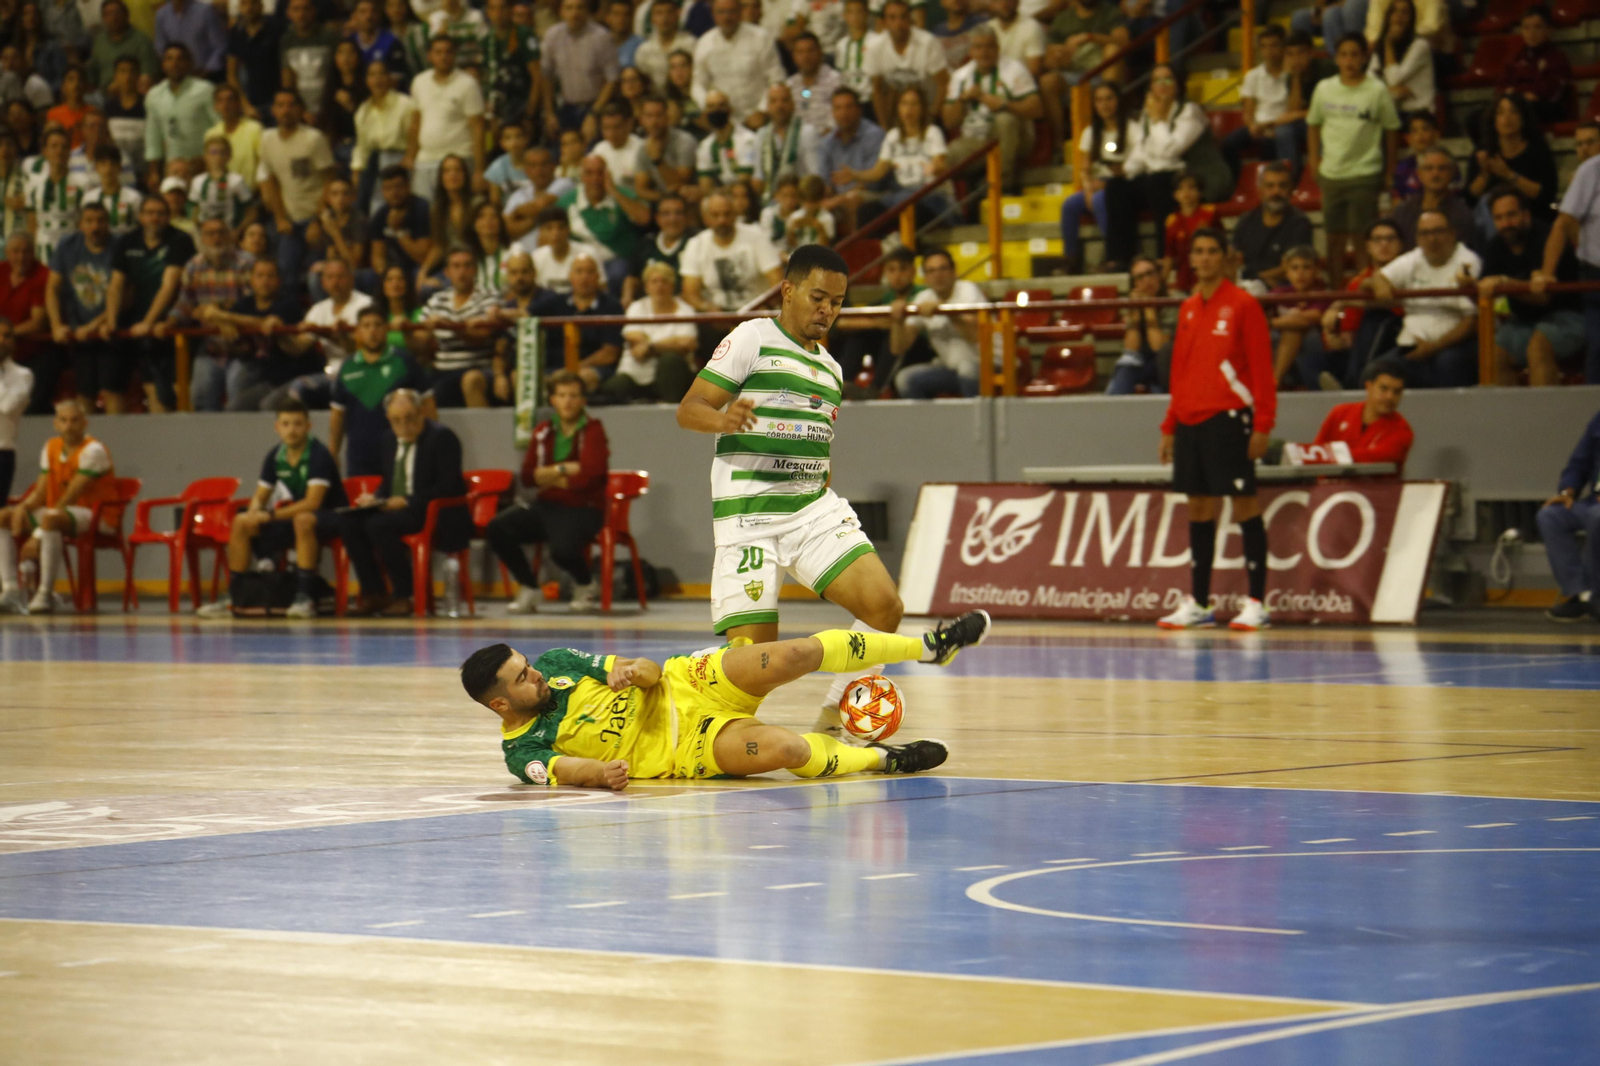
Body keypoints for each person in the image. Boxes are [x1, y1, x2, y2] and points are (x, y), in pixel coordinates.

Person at [676, 243, 938, 741]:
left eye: (837, 303)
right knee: (752, 669)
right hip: (748, 519)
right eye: (819, 297)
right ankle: (686, 701)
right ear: (788, 290)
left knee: (885, 607)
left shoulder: (833, 370)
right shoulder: (751, 338)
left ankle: (839, 716)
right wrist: (722, 418)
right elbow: (689, 409)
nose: (827, 310)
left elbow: (820, 445)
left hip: (811, 509)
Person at [457, 613, 992, 788]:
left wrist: (639, 672)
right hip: (684, 748)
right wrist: (600, 775)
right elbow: (563, 769)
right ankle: (885, 758)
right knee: (785, 750)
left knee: (796, 653)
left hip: (687, 682)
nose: (535, 675)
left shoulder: (554, 663)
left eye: (526, 664)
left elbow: (622, 669)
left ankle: (928, 646)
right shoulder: (521, 747)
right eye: (521, 678)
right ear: (501, 705)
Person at [1156, 227, 1276, 632]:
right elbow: (1180, 372)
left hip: (1229, 419)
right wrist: (1169, 424)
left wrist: (1263, 424)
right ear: (1190, 259)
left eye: (1212, 252)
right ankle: (1201, 602)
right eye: (1199, 251)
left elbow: (1262, 370)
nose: (1205, 258)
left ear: (1226, 258)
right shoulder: (1188, 308)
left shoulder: (1244, 305)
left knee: (1243, 505)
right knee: (1198, 508)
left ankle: (1257, 601)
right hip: (1190, 421)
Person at [197, 398, 348, 620]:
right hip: (293, 516)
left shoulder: (319, 455)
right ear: (277, 428)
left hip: (330, 517)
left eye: (297, 424)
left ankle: (304, 598)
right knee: (241, 522)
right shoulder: (275, 456)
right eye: (286, 424)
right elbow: (260, 495)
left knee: (303, 519)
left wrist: (269, 515)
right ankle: (235, 596)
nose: (292, 430)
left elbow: (312, 503)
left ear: (308, 426)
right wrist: (254, 512)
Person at [338, 388, 471, 616]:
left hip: (429, 510)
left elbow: (451, 486)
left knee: (378, 524)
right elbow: (389, 482)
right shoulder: (389, 439)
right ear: (388, 419)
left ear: (421, 413)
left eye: (409, 418)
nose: (403, 425)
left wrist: (407, 500)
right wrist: (375, 498)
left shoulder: (442, 437)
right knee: (348, 522)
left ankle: (404, 594)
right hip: (395, 509)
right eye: (396, 420)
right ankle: (374, 593)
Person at [490, 369, 610, 613]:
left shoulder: (593, 431)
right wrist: (567, 469)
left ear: (583, 400)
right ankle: (529, 586)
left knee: (562, 550)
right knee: (498, 527)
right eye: (562, 395)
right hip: (546, 505)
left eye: (574, 395)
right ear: (552, 400)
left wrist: (550, 475)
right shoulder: (543, 431)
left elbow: (589, 478)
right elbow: (528, 476)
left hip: (584, 508)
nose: (568, 401)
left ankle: (585, 583)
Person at [0, 398, 115, 615]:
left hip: (97, 514)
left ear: (84, 424)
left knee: (50, 520)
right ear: (56, 424)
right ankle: (10, 589)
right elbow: (41, 492)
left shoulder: (94, 450)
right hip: (62, 512)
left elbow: (71, 496)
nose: (69, 426)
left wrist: (36, 535)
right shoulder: (51, 446)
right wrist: (23, 509)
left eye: (74, 420)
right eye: (63, 420)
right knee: (4, 516)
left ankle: (45, 593)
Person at [1307, 33, 1400, 289]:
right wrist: (1315, 161)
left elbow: (1392, 129)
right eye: (1344, 54)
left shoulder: (1377, 89)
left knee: (1362, 239)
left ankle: (1363, 292)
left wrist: (1390, 169)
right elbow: (1313, 124)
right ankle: (1337, 294)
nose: (1349, 60)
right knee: (1334, 238)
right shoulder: (1324, 88)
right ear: (1336, 59)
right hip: (1332, 174)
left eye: (1354, 54)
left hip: (1365, 173)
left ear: (1364, 58)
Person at [1113, 63, 1219, 264]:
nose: (1162, 84)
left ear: (1177, 85)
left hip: (1196, 176)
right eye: (1156, 80)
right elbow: (1142, 150)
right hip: (1161, 174)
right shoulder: (1147, 115)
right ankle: (1120, 258)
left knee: (1158, 182)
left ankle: (1165, 256)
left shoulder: (1189, 111)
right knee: (1117, 188)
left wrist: (1159, 119)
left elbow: (1170, 151)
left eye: (1167, 79)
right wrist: (1127, 171)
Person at [1364, 208, 1481, 387]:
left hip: (1454, 345)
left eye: (1438, 231)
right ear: (1418, 238)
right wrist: (1381, 284)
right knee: (1375, 372)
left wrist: (1432, 347)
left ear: (1452, 234)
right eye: (1425, 233)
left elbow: (1471, 321)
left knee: (1447, 364)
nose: (1431, 239)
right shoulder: (1414, 258)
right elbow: (1380, 277)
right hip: (1412, 344)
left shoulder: (1468, 261)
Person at [1481, 187, 1583, 388]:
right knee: (1494, 353)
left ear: (1526, 214)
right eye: (1499, 218)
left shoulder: (1547, 238)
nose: (1506, 224)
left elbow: (1542, 297)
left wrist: (1505, 283)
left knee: (1538, 346)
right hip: (1522, 321)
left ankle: (1545, 418)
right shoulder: (1495, 246)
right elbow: (1486, 287)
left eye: (1511, 215)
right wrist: (1473, 287)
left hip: (1569, 316)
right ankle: (1510, 418)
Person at [108, 194, 194, 412]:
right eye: (149, 213)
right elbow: (116, 285)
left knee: (175, 389)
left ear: (168, 217)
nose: (154, 218)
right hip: (137, 323)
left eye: (160, 213)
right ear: (140, 216)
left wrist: (148, 322)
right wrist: (111, 322)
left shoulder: (180, 240)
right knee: (149, 386)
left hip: (170, 322)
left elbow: (169, 285)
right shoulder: (127, 241)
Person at [199, 257, 316, 411]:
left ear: (278, 280)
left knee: (267, 405)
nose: (264, 281)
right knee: (233, 408)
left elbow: (264, 324)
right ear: (252, 280)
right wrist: (223, 323)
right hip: (264, 374)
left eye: (270, 276)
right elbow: (207, 315)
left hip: (290, 375)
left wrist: (225, 317)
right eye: (259, 276)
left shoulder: (288, 304)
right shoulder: (245, 303)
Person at [328, 305, 434, 475]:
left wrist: (430, 444)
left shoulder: (404, 362)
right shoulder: (348, 367)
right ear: (358, 331)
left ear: (386, 329)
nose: (372, 331)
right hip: (359, 456)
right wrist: (333, 451)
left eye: (377, 325)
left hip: (400, 451)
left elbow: (428, 403)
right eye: (366, 325)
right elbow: (338, 413)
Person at [943, 24, 1038, 198]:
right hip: (975, 138)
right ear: (971, 51)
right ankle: (953, 208)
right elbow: (949, 121)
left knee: (1004, 120)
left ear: (998, 48)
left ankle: (1003, 186)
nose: (984, 52)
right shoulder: (961, 76)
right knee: (945, 158)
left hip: (1016, 136)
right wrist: (962, 100)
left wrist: (1004, 105)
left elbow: (1036, 109)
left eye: (989, 46)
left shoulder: (1014, 69)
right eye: (979, 47)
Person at [174, 215, 258, 410]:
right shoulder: (193, 265)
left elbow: (251, 305)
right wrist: (169, 321)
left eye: (221, 233)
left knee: (239, 402)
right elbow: (185, 304)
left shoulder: (247, 263)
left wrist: (215, 314)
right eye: (210, 234)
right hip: (209, 346)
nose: (216, 238)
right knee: (201, 398)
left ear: (230, 236)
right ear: (201, 238)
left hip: (244, 345)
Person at [258, 89, 338, 291]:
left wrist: (318, 219)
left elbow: (331, 179)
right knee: (284, 273)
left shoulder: (313, 138)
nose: (286, 110)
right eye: (280, 105)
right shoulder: (267, 139)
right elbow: (270, 180)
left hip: (316, 217)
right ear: (273, 110)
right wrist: (280, 217)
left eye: (291, 105)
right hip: (290, 221)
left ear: (300, 110)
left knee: (318, 276)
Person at [1318, 217, 1405, 388]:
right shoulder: (1357, 281)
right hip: (1363, 343)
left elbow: (1392, 305)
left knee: (1375, 318)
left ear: (1401, 244)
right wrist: (1333, 336)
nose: (1384, 244)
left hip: (1398, 338)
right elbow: (1348, 330)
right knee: (1311, 360)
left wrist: (1340, 304)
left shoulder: (1411, 273)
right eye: (1377, 239)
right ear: (1368, 246)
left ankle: (1353, 387)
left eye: (1390, 239)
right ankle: (1338, 396)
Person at [890, 246, 983, 397]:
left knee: (967, 369)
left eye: (943, 269)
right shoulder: (923, 298)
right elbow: (898, 348)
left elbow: (975, 336)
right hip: (950, 368)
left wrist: (945, 311)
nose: (937, 275)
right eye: (931, 271)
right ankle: (928, 421)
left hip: (986, 364)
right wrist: (897, 320)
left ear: (954, 272)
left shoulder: (968, 290)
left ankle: (975, 420)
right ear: (925, 277)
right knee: (905, 379)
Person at [1541, 145, 1600, 385]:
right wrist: (1546, 272)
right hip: (1596, 276)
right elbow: (1563, 223)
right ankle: (1595, 415)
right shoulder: (1592, 170)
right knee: (1599, 346)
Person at [1466, 92, 1558, 243]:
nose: (1507, 118)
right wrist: (1484, 174)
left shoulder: (1538, 149)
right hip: (1492, 222)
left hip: (1532, 217)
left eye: (1513, 111)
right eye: (1501, 113)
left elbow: (1546, 194)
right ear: (1494, 120)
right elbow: (1470, 198)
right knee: (1486, 202)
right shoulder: (1484, 151)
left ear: (1523, 118)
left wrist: (1508, 175)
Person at [417, 248, 502, 406]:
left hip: (477, 367)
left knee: (470, 380)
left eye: (467, 266)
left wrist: (449, 326)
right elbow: (420, 341)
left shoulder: (489, 297)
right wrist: (412, 332)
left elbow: (483, 335)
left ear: (475, 270)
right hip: (441, 370)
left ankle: (482, 430)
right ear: (447, 272)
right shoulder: (437, 299)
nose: (462, 272)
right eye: (456, 266)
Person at [1537, 407, 1600, 621]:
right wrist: (1567, 491)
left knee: (1597, 516)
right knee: (1551, 516)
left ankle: (1595, 595)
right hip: (1594, 501)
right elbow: (1578, 463)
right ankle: (1581, 594)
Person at [408, 35, 487, 202]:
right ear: (430, 55)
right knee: (425, 212)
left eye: (448, 52)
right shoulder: (419, 81)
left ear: (455, 55)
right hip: (425, 159)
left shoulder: (468, 84)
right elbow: (416, 123)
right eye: (438, 52)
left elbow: (478, 128)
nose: (443, 56)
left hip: (460, 159)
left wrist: (479, 169)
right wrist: (410, 156)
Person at [679, 190, 782, 315]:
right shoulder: (696, 244)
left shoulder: (757, 236)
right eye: (715, 215)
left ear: (735, 215)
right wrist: (706, 307)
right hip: (717, 318)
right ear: (705, 218)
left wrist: (766, 305)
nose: (722, 220)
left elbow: (777, 281)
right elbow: (690, 293)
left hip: (756, 313)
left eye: (727, 214)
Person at [559, 154, 650, 296]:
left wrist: (614, 192)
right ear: (582, 176)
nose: (595, 179)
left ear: (607, 174)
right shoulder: (567, 201)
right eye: (589, 173)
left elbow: (644, 218)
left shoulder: (622, 194)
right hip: (580, 261)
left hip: (616, 260)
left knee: (617, 273)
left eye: (600, 173)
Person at [532, 252, 623, 390]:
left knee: (582, 378)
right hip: (555, 368)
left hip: (592, 368)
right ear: (570, 276)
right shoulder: (555, 302)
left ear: (598, 277)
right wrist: (500, 313)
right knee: (523, 377)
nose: (584, 277)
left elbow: (610, 353)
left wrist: (573, 369)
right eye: (579, 271)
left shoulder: (611, 306)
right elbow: (525, 314)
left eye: (589, 272)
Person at [1060, 81, 1125, 275]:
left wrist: (1104, 183)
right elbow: (1085, 168)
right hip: (1095, 185)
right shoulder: (1089, 132)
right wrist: (1088, 187)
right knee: (1069, 205)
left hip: (1120, 183)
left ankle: (1114, 255)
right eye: (1099, 100)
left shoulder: (1130, 127)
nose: (1104, 105)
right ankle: (1071, 259)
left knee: (1099, 200)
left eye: (1109, 99)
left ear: (1118, 100)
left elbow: (1133, 165)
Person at [611, 261, 696, 402]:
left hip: (672, 377)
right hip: (635, 373)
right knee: (613, 388)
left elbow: (687, 343)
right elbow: (633, 340)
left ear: (672, 286)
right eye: (654, 281)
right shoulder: (636, 308)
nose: (659, 286)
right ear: (646, 286)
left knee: (670, 360)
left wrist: (650, 346)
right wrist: (671, 342)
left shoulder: (685, 310)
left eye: (664, 281)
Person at [1311, 355, 1414, 470]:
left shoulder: (1402, 430)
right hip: (1329, 486)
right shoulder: (1339, 412)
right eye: (1384, 389)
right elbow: (1316, 452)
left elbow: (1376, 458)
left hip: (1375, 487)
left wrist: (1331, 455)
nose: (1390, 397)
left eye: (1396, 392)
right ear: (1368, 386)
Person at [692, 0, 786, 124]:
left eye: (731, 11)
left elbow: (776, 79)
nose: (726, 17)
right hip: (723, 120)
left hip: (759, 117)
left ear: (740, 11)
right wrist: (709, 106)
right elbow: (697, 85)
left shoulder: (760, 37)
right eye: (721, 12)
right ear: (713, 14)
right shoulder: (704, 43)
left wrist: (762, 110)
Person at [864, 0, 949, 130]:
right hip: (898, 111)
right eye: (892, 18)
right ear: (884, 23)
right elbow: (876, 90)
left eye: (903, 17)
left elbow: (943, 84)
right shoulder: (875, 46)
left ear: (910, 20)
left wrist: (931, 120)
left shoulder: (928, 43)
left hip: (928, 108)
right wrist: (884, 127)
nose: (899, 23)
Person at [145, 43, 218, 190]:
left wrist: (210, 159)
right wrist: (153, 172)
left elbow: (220, 129)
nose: (174, 64)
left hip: (203, 165)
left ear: (189, 63)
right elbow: (153, 136)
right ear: (163, 64)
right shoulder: (154, 95)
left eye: (180, 59)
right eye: (169, 59)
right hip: (172, 168)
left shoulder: (205, 90)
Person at [541, 0, 619, 135]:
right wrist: (549, 112)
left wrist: (593, 114)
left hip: (596, 106)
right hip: (566, 107)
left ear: (587, 11)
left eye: (579, 8)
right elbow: (547, 75)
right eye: (569, 8)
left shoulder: (601, 36)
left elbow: (612, 79)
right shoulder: (552, 35)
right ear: (561, 11)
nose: (574, 13)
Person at [1231, 164, 1314, 291]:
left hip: (1285, 290)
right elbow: (1234, 260)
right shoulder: (1246, 221)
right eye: (1270, 186)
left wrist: (1258, 278)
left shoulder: (1300, 223)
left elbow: (1294, 267)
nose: (1276, 192)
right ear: (1260, 190)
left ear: (1291, 190)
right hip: (1246, 285)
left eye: (1282, 186)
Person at [1222, 25, 1288, 184]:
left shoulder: (1292, 74)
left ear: (1283, 46)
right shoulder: (1252, 75)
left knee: (1272, 143)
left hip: (1282, 125)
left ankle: (1267, 185)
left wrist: (1272, 127)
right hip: (1258, 126)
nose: (1269, 51)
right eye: (1264, 46)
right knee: (1228, 143)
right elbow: (1248, 110)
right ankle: (1236, 183)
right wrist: (1251, 126)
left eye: (1274, 45)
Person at [353, 60, 419, 213]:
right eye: (372, 75)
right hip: (375, 164)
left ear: (390, 78)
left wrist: (410, 156)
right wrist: (356, 172)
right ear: (367, 80)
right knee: (378, 209)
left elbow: (414, 134)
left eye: (382, 74)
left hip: (403, 159)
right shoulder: (363, 111)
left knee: (405, 208)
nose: (377, 80)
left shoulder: (405, 104)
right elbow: (362, 147)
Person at [1107, 255, 1174, 394]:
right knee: (1125, 367)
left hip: (1168, 365)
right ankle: (1114, 410)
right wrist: (1136, 311)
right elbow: (1131, 351)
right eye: (1140, 277)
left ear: (1159, 276)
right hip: (1142, 363)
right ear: (1134, 284)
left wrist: (1148, 308)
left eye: (1150, 273)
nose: (1146, 280)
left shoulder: (1173, 302)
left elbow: (1159, 348)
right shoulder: (1133, 304)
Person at [1498, 5, 1572, 128]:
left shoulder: (1557, 57)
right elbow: (1502, 85)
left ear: (1549, 30)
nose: (1531, 33)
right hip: (1518, 103)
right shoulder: (1516, 57)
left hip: (1546, 106)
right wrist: (1516, 96)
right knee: (1476, 117)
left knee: (1524, 109)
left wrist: (1519, 94)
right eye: (1526, 28)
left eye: (1537, 27)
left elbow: (1552, 91)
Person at [1274, 30, 1334, 181]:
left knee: (1320, 130)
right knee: (1283, 131)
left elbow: (1330, 109)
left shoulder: (1326, 69)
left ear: (1310, 53)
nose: (1296, 59)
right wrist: (1295, 77)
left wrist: (1295, 115)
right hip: (1309, 122)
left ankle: (1324, 178)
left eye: (1300, 53)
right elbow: (1294, 110)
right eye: (1290, 54)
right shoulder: (1292, 75)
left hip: (1331, 122)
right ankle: (1289, 180)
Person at [24, 127, 88, 267]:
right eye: (54, 146)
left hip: (73, 248)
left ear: (70, 153)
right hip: (43, 249)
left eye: (64, 147)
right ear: (45, 151)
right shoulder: (34, 184)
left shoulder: (83, 183)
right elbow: (31, 223)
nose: (59, 151)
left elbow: (86, 221)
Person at [1392, 147, 1476, 252]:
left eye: (1442, 168)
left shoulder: (1463, 214)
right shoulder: (1403, 211)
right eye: (1428, 168)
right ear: (1419, 174)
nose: (1435, 174)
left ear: (1452, 173)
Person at [1269, 244, 1332, 385]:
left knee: (1295, 328)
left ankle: (1274, 381)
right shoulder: (1279, 293)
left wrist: (1270, 322)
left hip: (1313, 345)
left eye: (1306, 267)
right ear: (1287, 272)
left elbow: (1309, 318)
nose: (1300, 273)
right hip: (1279, 342)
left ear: (1316, 271)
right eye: (1294, 268)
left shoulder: (1324, 293)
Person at [0, 234, 50, 409]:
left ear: (34, 253)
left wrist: (7, 335)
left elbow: (38, 322)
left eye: (26, 251)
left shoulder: (42, 275)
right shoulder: (1, 271)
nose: (21, 257)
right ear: (6, 252)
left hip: (33, 350)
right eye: (15, 251)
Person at [1368, 0, 1432, 122]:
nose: (1398, 16)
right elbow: (1369, 81)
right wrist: (1391, 92)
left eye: (1404, 12)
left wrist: (1388, 44)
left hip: (1419, 115)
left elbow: (1394, 79)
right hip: (1393, 111)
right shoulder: (1380, 47)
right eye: (1394, 11)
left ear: (1411, 18)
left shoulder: (1420, 46)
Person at [753, 84, 820, 199]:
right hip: (771, 198)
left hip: (801, 197)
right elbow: (759, 175)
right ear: (768, 107)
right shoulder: (761, 135)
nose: (779, 106)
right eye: (774, 101)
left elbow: (814, 175)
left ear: (793, 104)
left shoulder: (807, 132)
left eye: (784, 100)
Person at [370, 163, 434, 280]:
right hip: (393, 271)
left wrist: (398, 231)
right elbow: (377, 257)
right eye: (388, 188)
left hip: (420, 268)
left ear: (408, 186)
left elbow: (422, 257)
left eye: (398, 187)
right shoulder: (380, 214)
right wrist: (386, 275)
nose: (394, 193)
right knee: (365, 277)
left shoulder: (422, 209)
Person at [633, 94, 699, 206]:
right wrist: (664, 198)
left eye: (659, 115)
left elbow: (680, 184)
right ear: (641, 120)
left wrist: (658, 160)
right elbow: (641, 190)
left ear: (667, 118)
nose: (654, 122)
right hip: (664, 202)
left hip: (690, 202)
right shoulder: (643, 148)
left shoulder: (685, 141)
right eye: (649, 116)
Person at [279, 0, 341, 118]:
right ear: (288, 13)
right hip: (299, 111)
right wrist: (301, 110)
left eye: (306, 9)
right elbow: (287, 80)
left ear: (314, 11)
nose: (301, 14)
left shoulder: (329, 37)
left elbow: (336, 73)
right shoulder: (286, 40)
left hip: (329, 107)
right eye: (296, 9)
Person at [527, 206, 608, 294]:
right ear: (541, 231)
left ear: (568, 229)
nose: (555, 233)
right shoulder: (536, 257)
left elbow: (602, 289)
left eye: (560, 227)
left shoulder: (588, 253)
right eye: (549, 228)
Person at [226, 0, 282, 124]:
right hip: (249, 101)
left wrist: (281, 102)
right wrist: (244, 104)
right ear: (239, 7)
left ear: (261, 6)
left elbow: (285, 67)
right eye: (244, 4)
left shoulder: (276, 29)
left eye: (253, 4)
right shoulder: (236, 32)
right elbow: (231, 73)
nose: (249, 8)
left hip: (275, 98)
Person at [86, 0, 159, 91]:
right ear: (103, 18)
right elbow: (92, 72)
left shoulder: (141, 41)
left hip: (133, 94)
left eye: (118, 13)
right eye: (108, 14)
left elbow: (148, 76)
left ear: (127, 15)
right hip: (102, 95)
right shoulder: (99, 41)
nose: (114, 17)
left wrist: (121, 86)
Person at [1162, 170, 1215, 292]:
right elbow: (1169, 256)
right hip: (1183, 283)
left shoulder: (1210, 214)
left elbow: (1222, 249)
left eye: (1191, 187)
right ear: (1175, 194)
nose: (1186, 192)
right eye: (1180, 188)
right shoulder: (1171, 221)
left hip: (1208, 281)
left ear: (1200, 192)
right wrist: (1162, 283)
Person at [190, 135, 255, 235]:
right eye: (213, 152)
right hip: (205, 233)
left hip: (229, 232)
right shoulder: (197, 181)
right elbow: (193, 210)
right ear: (205, 156)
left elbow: (252, 212)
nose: (218, 156)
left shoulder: (237, 181)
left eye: (222, 153)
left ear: (229, 156)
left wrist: (237, 232)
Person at [694, 89, 758, 190]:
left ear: (730, 109)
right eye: (711, 106)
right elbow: (705, 186)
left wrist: (718, 194)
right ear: (705, 112)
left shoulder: (748, 140)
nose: (716, 110)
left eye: (721, 105)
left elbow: (744, 181)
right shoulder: (705, 146)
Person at [206, 85, 263, 198]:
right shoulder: (211, 134)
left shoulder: (254, 129)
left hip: (252, 195)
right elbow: (210, 167)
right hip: (221, 195)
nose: (225, 105)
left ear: (238, 104)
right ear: (215, 106)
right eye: (220, 101)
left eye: (230, 100)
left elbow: (264, 164)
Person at [787, 31, 843, 136]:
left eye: (810, 51)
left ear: (820, 52)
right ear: (794, 57)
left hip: (829, 141)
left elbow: (842, 117)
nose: (806, 56)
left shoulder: (836, 81)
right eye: (800, 52)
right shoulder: (789, 84)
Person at [634, 0, 697, 91]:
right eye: (659, 13)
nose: (664, 18)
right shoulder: (644, 50)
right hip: (655, 100)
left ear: (677, 15)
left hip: (685, 96)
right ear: (652, 18)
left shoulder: (690, 44)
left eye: (669, 12)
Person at [0, 318, 30, 502]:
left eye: (6, 335)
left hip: (2, 452)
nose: (1, 340)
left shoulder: (23, 375)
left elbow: (7, 407)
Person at [1391, 111, 1440, 201]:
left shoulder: (1445, 164)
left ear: (1436, 135)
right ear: (1408, 138)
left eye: (1425, 129)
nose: (1420, 134)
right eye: (1414, 131)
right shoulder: (1403, 167)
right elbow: (1397, 199)